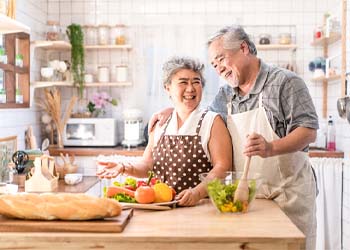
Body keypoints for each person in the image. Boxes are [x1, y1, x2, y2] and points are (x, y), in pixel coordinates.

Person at [149, 26, 318, 250]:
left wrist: (270, 147)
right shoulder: (226, 95)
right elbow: (200, 117)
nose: (218, 69)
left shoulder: (285, 82)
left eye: (221, 59)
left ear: (244, 48)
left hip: (289, 196)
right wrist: (172, 109)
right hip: (247, 200)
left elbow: (308, 131)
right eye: (214, 65)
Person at [97, 56, 232, 207]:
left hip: (201, 207)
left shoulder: (212, 121)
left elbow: (223, 167)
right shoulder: (161, 123)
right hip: (161, 208)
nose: (191, 88)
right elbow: (148, 165)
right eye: (183, 82)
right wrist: (123, 167)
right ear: (167, 88)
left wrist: (197, 193)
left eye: (196, 82)